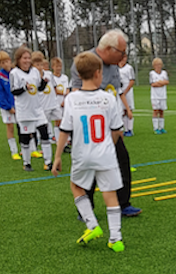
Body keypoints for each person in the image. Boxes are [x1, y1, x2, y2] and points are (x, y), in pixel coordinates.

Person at [52, 51, 125, 252]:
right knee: (110, 194)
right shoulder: (108, 98)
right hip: (106, 155)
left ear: (78, 74)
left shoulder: (72, 99)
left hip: (82, 154)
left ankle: (92, 225)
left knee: (76, 186)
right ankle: (116, 239)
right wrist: (109, 145)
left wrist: (57, 157)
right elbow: (117, 130)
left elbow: (65, 130)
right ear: (98, 73)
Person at [70, 29, 141, 217]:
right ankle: (85, 209)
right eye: (122, 52)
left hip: (111, 126)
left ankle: (123, 204)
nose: (124, 57)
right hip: (90, 128)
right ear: (109, 49)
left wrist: (119, 120)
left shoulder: (114, 65)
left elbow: (114, 93)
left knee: (122, 160)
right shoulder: (85, 61)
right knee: (90, 167)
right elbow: (75, 95)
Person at [9, 47, 51, 171]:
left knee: (44, 133)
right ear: (18, 59)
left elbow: (39, 88)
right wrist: (24, 88)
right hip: (24, 111)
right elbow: (13, 91)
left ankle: (48, 162)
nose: (27, 60)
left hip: (37, 109)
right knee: (26, 137)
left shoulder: (35, 71)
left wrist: (44, 83)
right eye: (24, 58)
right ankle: (26, 163)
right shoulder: (14, 73)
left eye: (28, 58)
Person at [0, 51, 20, 161]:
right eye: (2, 62)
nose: (6, 64)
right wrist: (8, 107)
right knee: (10, 127)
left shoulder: (15, 72)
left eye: (7, 61)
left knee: (22, 126)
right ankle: (14, 151)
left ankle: (26, 148)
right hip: (7, 108)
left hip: (19, 105)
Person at [32, 53, 62, 145]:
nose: (40, 67)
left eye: (41, 64)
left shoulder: (49, 74)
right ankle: (39, 139)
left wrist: (55, 97)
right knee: (44, 124)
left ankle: (59, 140)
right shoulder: (33, 77)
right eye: (37, 65)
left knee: (61, 119)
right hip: (43, 105)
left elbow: (54, 86)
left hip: (54, 103)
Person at [52, 57, 71, 152]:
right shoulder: (51, 78)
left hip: (64, 102)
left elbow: (67, 89)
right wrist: (64, 93)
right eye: (57, 66)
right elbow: (55, 91)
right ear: (53, 67)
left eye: (60, 66)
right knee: (58, 121)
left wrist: (65, 99)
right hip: (55, 102)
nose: (58, 68)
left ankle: (67, 140)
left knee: (65, 120)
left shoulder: (65, 78)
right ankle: (58, 140)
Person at [149, 58, 169, 134]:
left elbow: (166, 82)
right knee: (155, 111)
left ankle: (161, 127)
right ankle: (156, 128)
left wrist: (160, 83)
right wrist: (161, 83)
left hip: (162, 95)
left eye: (160, 64)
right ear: (154, 66)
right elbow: (153, 84)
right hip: (155, 96)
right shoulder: (152, 73)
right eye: (157, 65)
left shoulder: (164, 73)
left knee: (161, 111)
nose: (158, 66)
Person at [118, 53, 136, 137]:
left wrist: (125, 91)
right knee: (122, 111)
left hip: (127, 92)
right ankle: (125, 129)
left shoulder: (129, 68)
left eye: (124, 57)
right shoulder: (115, 68)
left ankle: (130, 129)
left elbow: (132, 80)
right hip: (118, 92)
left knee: (129, 109)